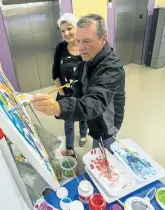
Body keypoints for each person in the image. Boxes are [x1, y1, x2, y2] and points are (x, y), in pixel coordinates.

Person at [31, 14, 125, 152]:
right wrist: (64, 101)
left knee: (103, 158)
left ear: (103, 38)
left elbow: (95, 102)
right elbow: (79, 91)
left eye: (87, 41)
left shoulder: (111, 67)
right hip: (94, 119)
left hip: (107, 126)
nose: (81, 48)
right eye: (79, 41)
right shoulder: (87, 59)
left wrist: (59, 107)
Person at [52, 13, 87, 158]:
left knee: (84, 115)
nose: (66, 33)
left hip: (84, 92)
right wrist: (62, 95)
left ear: (76, 28)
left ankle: (84, 134)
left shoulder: (85, 47)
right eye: (62, 30)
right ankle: (70, 146)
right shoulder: (60, 48)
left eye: (69, 28)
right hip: (66, 93)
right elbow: (55, 73)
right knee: (68, 120)